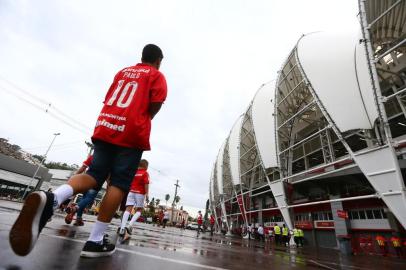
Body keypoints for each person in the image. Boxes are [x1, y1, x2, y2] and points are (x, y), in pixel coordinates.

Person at [9, 44, 167, 258]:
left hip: (106, 125)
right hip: (131, 132)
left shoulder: (123, 72)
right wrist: (143, 118)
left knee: (93, 174)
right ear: (158, 60)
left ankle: (52, 199)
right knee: (119, 183)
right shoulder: (156, 75)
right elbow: (155, 104)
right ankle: (94, 241)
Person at [118, 159, 150, 237]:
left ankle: (122, 228)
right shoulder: (145, 173)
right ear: (145, 166)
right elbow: (146, 184)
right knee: (139, 210)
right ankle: (129, 225)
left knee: (128, 209)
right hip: (140, 193)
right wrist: (147, 194)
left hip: (131, 192)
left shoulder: (134, 172)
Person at [65, 155, 99, 226]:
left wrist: (73, 177)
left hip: (86, 179)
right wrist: (109, 184)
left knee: (84, 199)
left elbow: (83, 167)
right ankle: (75, 209)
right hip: (96, 181)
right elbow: (109, 175)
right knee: (89, 198)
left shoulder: (93, 156)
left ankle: (78, 219)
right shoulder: (109, 158)